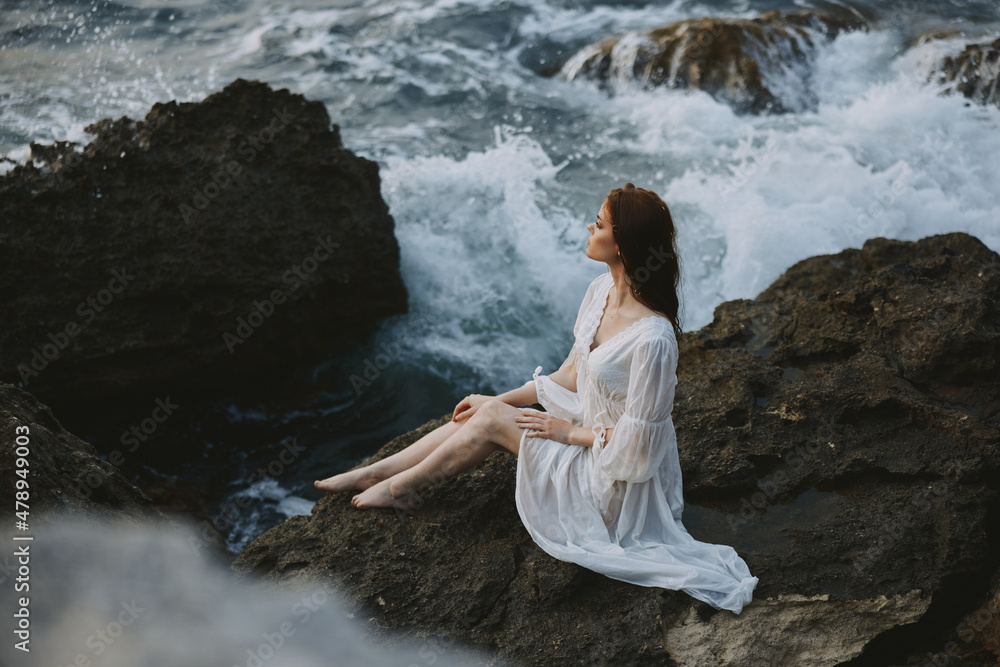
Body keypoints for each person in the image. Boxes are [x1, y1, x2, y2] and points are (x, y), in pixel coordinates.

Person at [314, 183, 758, 614]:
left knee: (490, 422)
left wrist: (568, 433)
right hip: (593, 438)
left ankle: (399, 489)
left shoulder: (654, 339)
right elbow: (570, 374)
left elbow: (641, 451)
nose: (589, 227)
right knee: (485, 411)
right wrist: (498, 398)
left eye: (599, 223)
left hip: (617, 484)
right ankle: (376, 472)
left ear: (622, 243)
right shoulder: (599, 292)